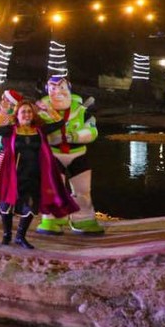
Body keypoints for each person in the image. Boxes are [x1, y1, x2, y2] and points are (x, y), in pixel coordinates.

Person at [0, 97, 77, 249]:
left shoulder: (40, 130)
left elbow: (60, 122)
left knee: (30, 206)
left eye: (29, 111)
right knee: (7, 206)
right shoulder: (11, 130)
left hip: (34, 175)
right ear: (17, 115)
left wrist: (48, 109)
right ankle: (6, 235)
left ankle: (20, 237)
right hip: (13, 175)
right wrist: (3, 111)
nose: (27, 114)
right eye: (23, 112)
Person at [35, 76, 104, 236]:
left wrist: (75, 136)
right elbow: (35, 131)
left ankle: (83, 220)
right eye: (52, 89)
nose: (57, 92)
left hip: (78, 154)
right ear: (47, 91)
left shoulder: (81, 111)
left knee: (83, 190)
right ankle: (52, 219)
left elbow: (93, 131)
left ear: (69, 90)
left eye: (61, 88)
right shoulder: (42, 111)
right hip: (53, 155)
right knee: (52, 188)